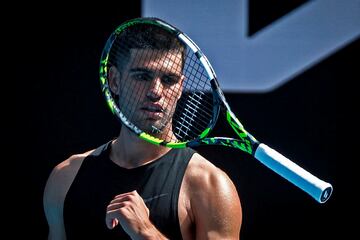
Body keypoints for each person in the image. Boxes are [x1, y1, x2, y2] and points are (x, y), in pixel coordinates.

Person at [43, 18, 242, 240]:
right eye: (142, 76)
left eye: (169, 80)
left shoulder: (209, 186)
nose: (156, 91)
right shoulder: (66, 177)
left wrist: (146, 232)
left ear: (180, 88)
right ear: (115, 81)